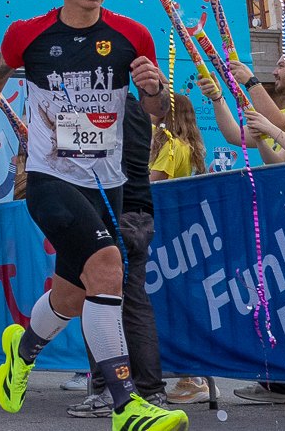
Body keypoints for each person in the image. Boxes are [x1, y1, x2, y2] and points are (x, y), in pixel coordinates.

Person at [0, 0, 184, 431]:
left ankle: (22, 351)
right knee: (108, 266)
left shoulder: (133, 35)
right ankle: (126, 405)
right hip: (50, 177)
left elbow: (158, 113)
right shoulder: (28, 33)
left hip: (107, 183)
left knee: (73, 295)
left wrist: (155, 89)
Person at [69, 99, 167, 417]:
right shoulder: (136, 108)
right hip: (138, 212)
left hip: (109, 213)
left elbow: (76, 162)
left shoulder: (97, 104)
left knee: (98, 302)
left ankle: (107, 391)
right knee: (135, 304)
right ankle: (151, 391)